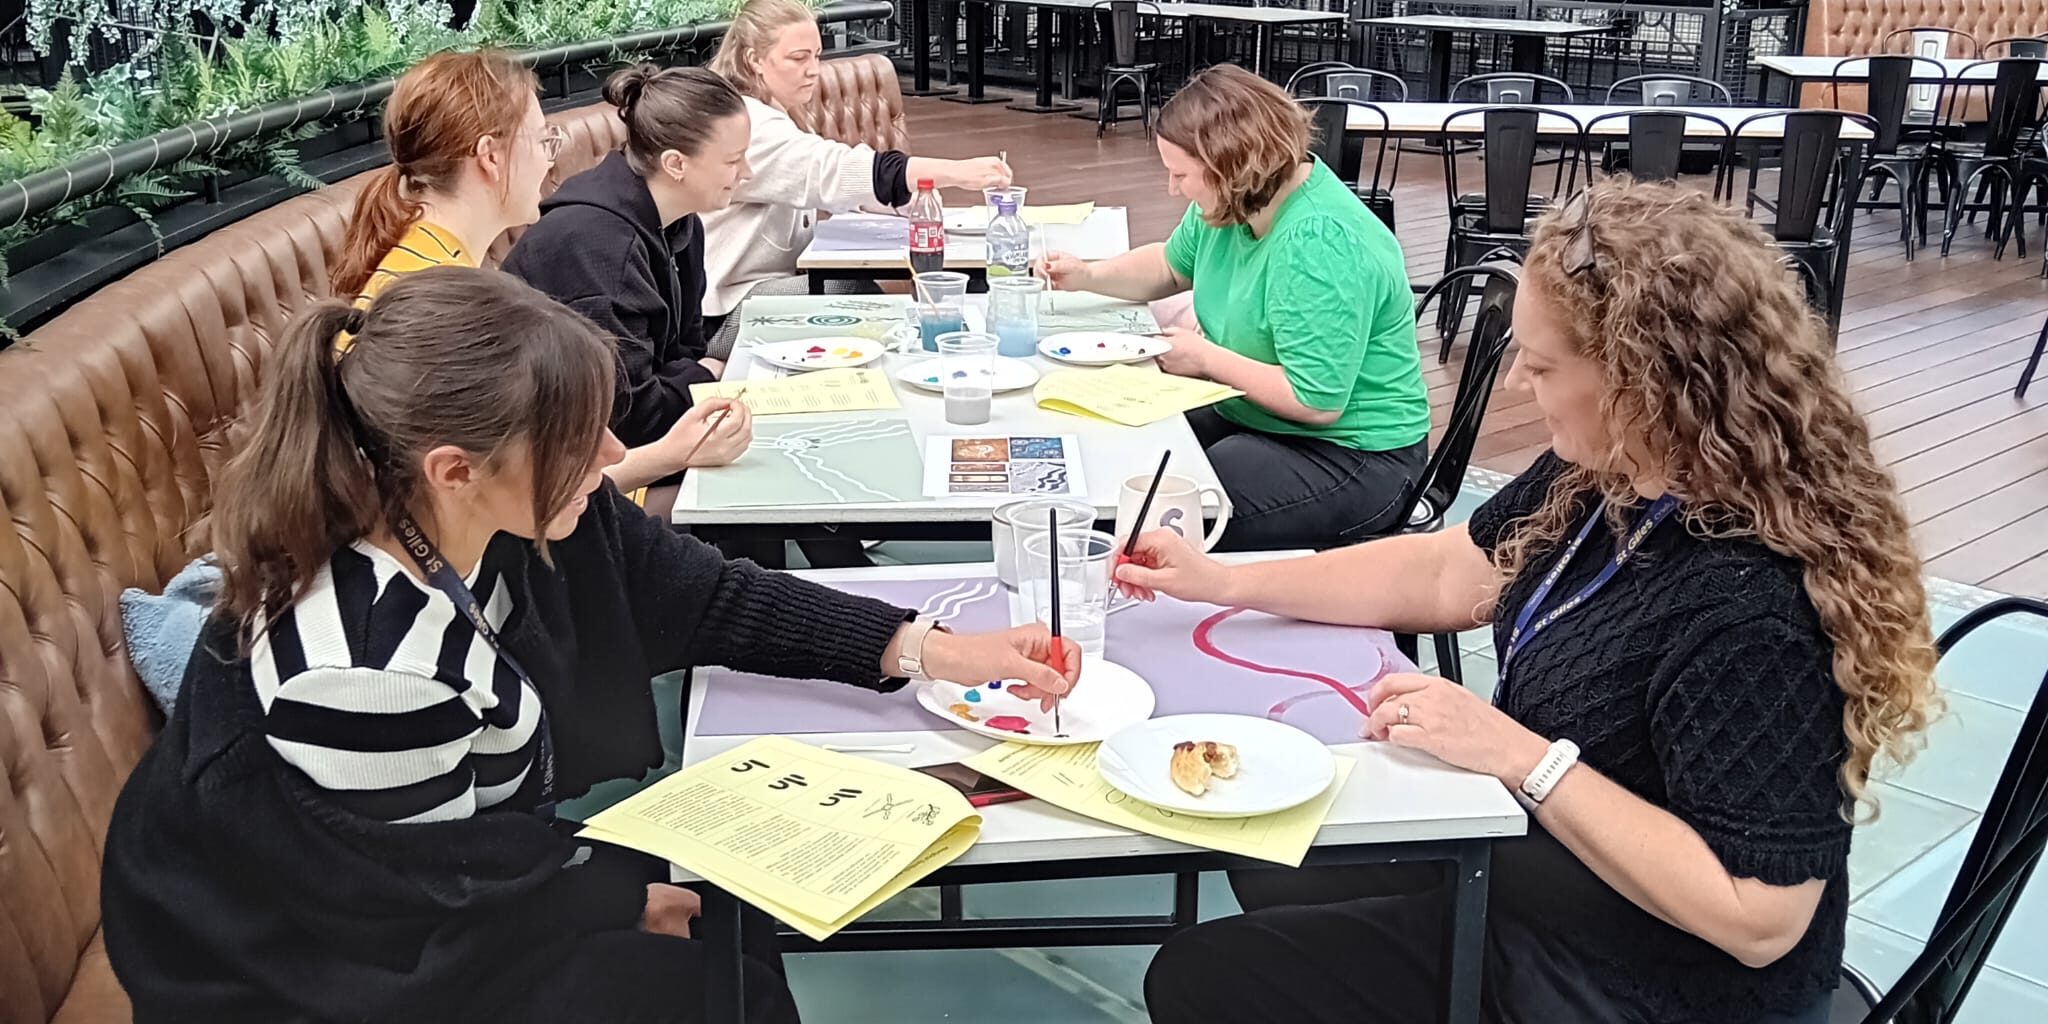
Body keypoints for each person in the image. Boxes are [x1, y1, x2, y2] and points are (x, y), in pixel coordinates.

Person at [100, 267, 1081, 1024]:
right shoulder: (364, 672)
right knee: (715, 979)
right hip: (295, 968)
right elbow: (426, 910)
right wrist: (611, 897)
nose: (616, 457)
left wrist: (929, 647)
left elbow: (711, 596)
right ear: (454, 469)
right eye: (580, 440)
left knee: (735, 945)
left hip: (431, 886)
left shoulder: (497, 514)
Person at [1125, 179, 1941, 1024]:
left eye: (1542, 364)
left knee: (1206, 978)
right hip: (1554, 874)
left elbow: (1759, 917)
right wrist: (1220, 581)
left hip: (1656, 983)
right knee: (1273, 853)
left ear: (1644, 378)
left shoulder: (1753, 607)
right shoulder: (1617, 469)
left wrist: (1523, 758)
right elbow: (1445, 573)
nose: (1515, 384)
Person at [1038, 64, 1429, 553]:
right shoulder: (1232, 201)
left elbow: (1316, 400)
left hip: (1356, 457)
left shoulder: (1318, 241)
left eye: (1180, 174)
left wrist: (1204, 359)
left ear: (1232, 162)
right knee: (1130, 446)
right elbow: (1169, 266)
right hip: (1259, 418)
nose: (1172, 188)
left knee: (1161, 511)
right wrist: (1088, 276)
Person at [332, 49, 749, 497]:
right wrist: (675, 452)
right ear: (490, 157)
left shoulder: (439, 269)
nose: (551, 161)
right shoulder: (440, 303)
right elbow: (524, 494)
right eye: (542, 140)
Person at [698, 0, 1012, 358]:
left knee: (857, 289)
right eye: (798, 58)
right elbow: (827, 170)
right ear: (754, 60)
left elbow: (821, 181)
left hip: (767, 287)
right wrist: (954, 172)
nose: (813, 70)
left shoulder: (771, 112)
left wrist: (900, 198)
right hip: (725, 313)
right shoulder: (751, 125)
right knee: (849, 289)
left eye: (816, 55)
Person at [504, 65, 748, 452]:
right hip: (555, 462)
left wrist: (697, 373)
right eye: (733, 160)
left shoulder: (683, 224)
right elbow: (633, 419)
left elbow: (687, 349)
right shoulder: (597, 246)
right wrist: (704, 375)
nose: (746, 172)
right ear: (675, 164)